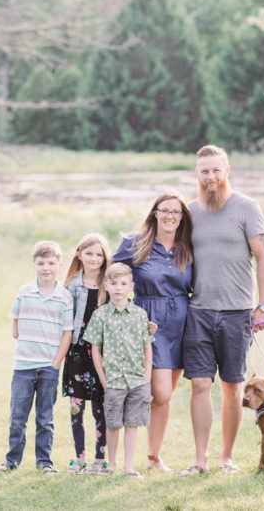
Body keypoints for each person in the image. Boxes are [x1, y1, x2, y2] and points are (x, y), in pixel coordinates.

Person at [180, 144, 264, 476]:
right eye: (204, 171)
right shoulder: (189, 212)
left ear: (227, 171)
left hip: (238, 313)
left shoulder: (247, 208)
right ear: (197, 174)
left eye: (216, 170)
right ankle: (199, 460)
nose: (210, 176)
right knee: (200, 385)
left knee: (233, 386)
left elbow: (263, 257)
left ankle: (226, 458)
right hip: (199, 311)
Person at [112, 189, 193, 473]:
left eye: (176, 211)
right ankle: (124, 449)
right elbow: (112, 275)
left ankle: (153, 457)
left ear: (182, 217)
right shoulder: (135, 243)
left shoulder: (188, 246)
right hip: (148, 322)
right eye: (165, 210)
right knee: (161, 393)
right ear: (155, 213)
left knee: (164, 394)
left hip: (182, 322)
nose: (170, 215)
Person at [0, 240, 73, 474]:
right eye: (40, 263)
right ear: (34, 265)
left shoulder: (64, 297)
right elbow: (15, 326)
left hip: (49, 366)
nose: (45, 267)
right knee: (18, 416)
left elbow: (67, 333)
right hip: (24, 366)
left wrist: (56, 362)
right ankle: (11, 461)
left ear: (59, 265)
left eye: (50, 263)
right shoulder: (24, 292)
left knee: (45, 418)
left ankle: (44, 462)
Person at [84, 262, 154, 478]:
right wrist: (104, 381)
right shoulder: (101, 315)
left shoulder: (140, 315)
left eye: (123, 284)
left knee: (132, 424)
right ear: (106, 285)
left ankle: (128, 467)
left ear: (131, 286)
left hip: (137, 381)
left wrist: (147, 378)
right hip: (113, 380)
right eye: (113, 283)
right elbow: (96, 349)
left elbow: (147, 347)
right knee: (113, 424)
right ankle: (112, 464)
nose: (118, 288)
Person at [60, 233, 110, 474]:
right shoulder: (71, 286)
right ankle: (79, 457)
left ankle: (100, 458)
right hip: (77, 355)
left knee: (100, 408)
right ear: (79, 255)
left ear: (105, 257)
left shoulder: (109, 284)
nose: (94, 258)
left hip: (101, 355)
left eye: (99, 254)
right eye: (89, 253)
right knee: (76, 408)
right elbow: (62, 320)